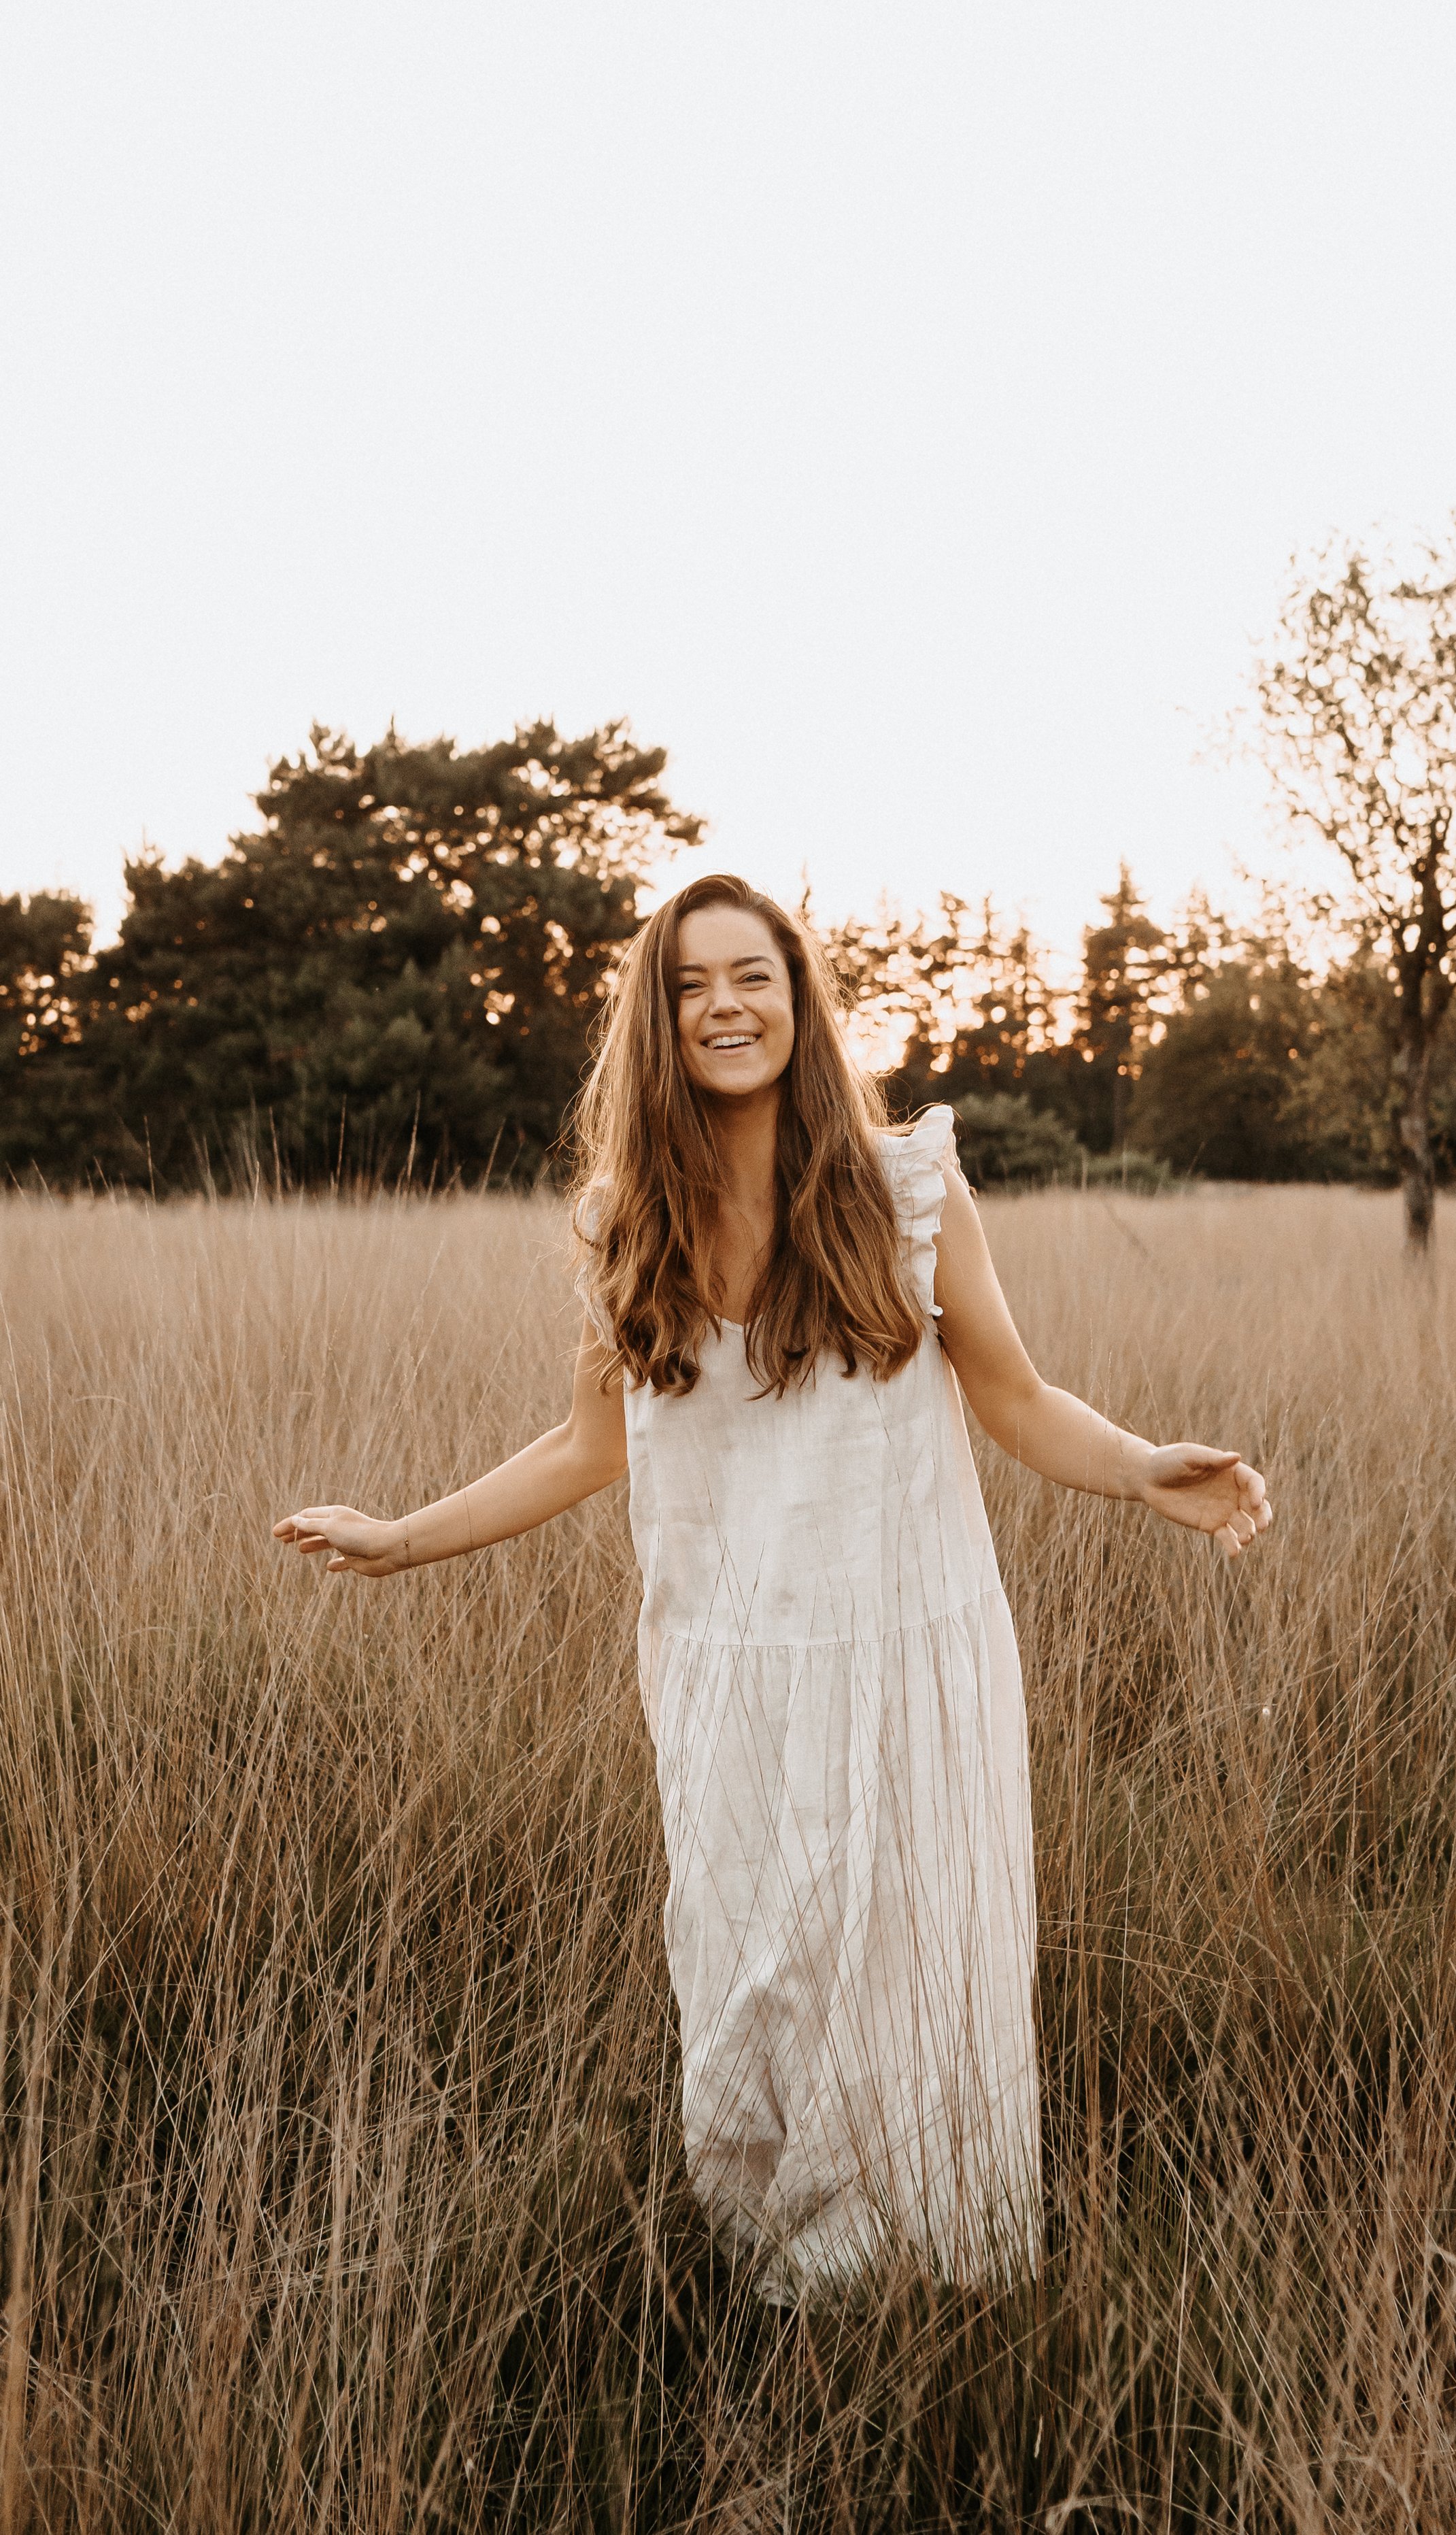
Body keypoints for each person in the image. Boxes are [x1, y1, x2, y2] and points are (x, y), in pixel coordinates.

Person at [274, 872, 1272, 2301]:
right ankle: (769, 2283)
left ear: (799, 1002)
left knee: (912, 1970)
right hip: (725, 1669)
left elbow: (1017, 1398)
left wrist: (1138, 1467)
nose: (722, 1007)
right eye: (687, 986)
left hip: (912, 1654)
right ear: (654, 1022)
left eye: (751, 976)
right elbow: (585, 1446)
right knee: (757, 1969)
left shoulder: (908, 1189)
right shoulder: (629, 1219)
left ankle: (929, 2295)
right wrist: (397, 1536)